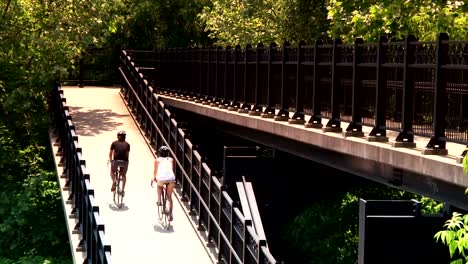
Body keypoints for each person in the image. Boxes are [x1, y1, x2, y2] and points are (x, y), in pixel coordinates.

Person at [152, 145, 176, 221]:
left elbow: (155, 171)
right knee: (169, 197)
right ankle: (170, 214)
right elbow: (171, 169)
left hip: (161, 179)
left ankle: (159, 200)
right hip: (171, 179)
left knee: (159, 186)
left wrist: (154, 178)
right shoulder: (171, 160)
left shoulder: (157, 160)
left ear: (160, 153)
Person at [109, 130, 130, 196]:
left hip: (116, 161)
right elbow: (127, 154)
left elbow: (111, 153)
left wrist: (111, 160)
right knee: (123, 175)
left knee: (112, 171)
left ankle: (114, 181)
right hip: (125, 162)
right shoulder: (127, 144)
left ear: (118, 136)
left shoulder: (114, 143)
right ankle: (123, 190)